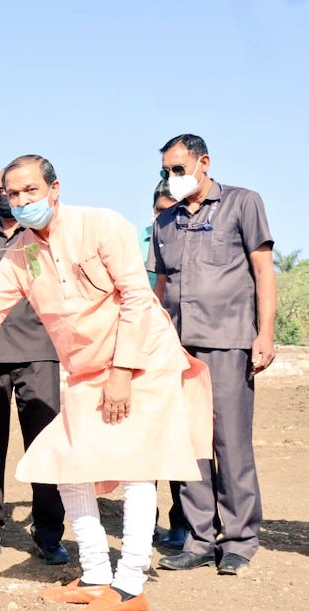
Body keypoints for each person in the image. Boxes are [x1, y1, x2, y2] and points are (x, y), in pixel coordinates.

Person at [0, 154, 214, 611]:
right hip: (84, 370)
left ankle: (131, 583)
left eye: (30, 191)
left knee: (140, 467)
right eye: (13, 195)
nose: (21, 202)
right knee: (68, 464)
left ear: (54, 189)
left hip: (142, 358)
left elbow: (138, 299)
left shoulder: (102, 225)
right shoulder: (20, 255)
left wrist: (122, 371)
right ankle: (97, 574)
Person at [150, 134, 276, 577]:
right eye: (167, 170)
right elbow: (160, 289)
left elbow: (263, 272)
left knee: (231, 443)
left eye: (179, 168)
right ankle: (200, 538)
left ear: (204, 162)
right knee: (189, 444)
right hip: (180, 349)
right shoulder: (165, 224)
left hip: (229, 341)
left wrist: (265, 334)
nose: (173, 177)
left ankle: (240, 539)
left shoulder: (243, 203)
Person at [0, 167, 67, 563]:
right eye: (0, 190)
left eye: (15, 190)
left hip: (39, 349)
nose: (7, 197)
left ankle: (49, 532)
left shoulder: (39, 239)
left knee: (44, 442)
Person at [141, 181, 186, 550]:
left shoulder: (185, 236)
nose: (165, 215)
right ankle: (146, 520)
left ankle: (183, 521)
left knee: (182, 434)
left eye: (171, 207)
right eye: (159, 210)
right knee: (148, 437)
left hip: (179, 343)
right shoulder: (138, 242)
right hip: (145, 349)